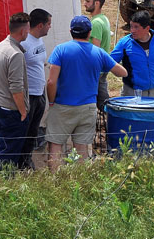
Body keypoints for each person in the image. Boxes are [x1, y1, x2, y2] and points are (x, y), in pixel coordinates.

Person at [45, 16, 127, 171]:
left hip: (62, 106)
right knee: (82, 149)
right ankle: (81, 180)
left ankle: (55, 180)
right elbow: (122, 72)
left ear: (70, 31)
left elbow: (51, 82)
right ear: (89, 33)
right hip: (88, 107)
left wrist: (51, 101)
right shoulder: (99, 53)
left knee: (55, 145)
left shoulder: (60, 50)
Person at [0, 12, 31, 170]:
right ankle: (3, 179)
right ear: (22, 31)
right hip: (12, 109)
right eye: (28, 29)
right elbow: (16, 88)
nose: (28, 32)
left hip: (0, 105)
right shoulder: (16, 54)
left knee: (0, 147)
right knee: (9, 152)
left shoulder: (1, 46)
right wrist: (23, 112)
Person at [109, 11, 154, 101]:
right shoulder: (124, 43)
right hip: (131, 95)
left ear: (147, 28)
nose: (132, 30)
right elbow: (109, 62)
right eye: (131, 26)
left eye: (136, 27)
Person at [22, 8, 51, 166]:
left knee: (33, 130)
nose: (50, 27)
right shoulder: (24, 42)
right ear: (40, 25)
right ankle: (21, 162)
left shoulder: (39, 40)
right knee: (25, 131)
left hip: (40, 92)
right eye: (48, 24)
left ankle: (27, 161)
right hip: (29, 94)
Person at [84, 0, 112, 111]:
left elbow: (95, 49)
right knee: (103, 99)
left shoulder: (95, 23)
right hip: (102, 67)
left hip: (96, 69)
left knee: (100, 102)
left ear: (97, 3)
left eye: (87, 1)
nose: (84, 4)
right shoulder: (104, 18)